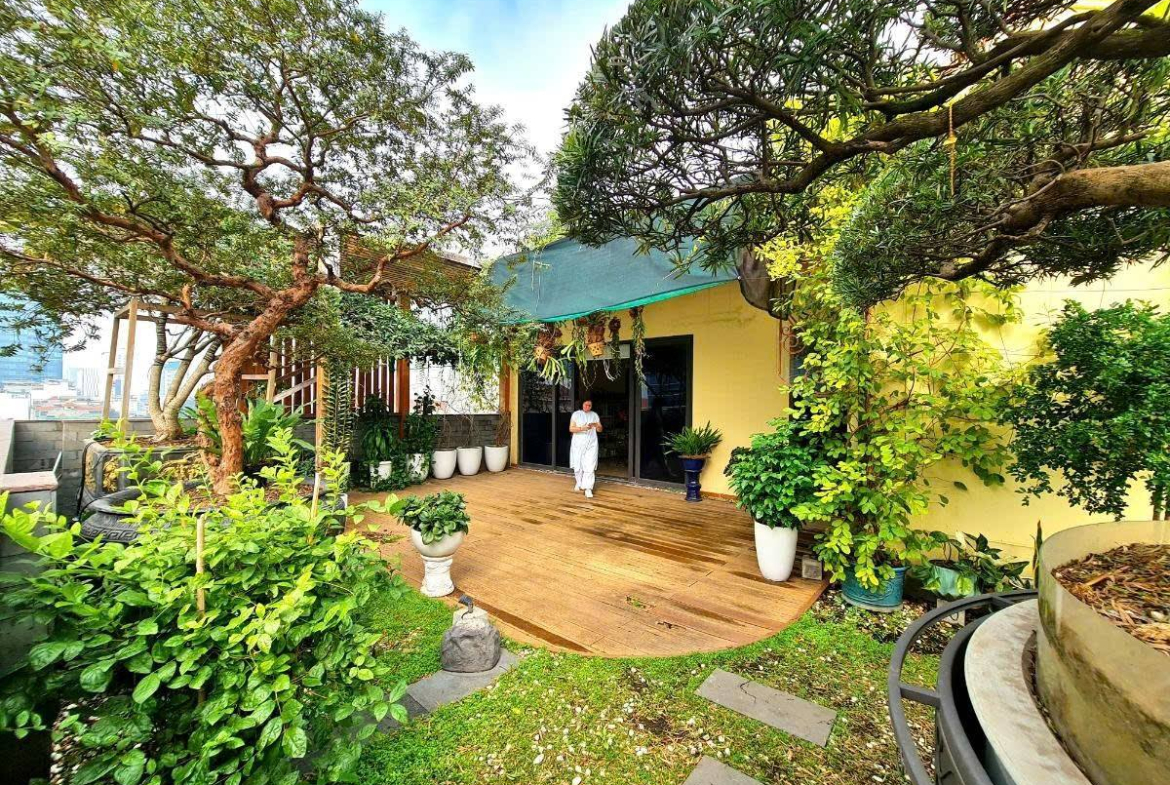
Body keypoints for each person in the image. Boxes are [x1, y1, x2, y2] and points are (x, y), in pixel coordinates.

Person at [569, 398, 603, 498]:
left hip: (591, 444)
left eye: (589, 405)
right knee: (578, 464)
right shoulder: (576, 414)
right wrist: (582, 428)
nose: (587, 407)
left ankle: (588, 488)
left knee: (590, 465)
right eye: (586, 405)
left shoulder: (594, 415)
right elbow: (571, 428)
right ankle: (579, 482)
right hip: (578, 444)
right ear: (582, 405)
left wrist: (596, 425)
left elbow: (600, 429)